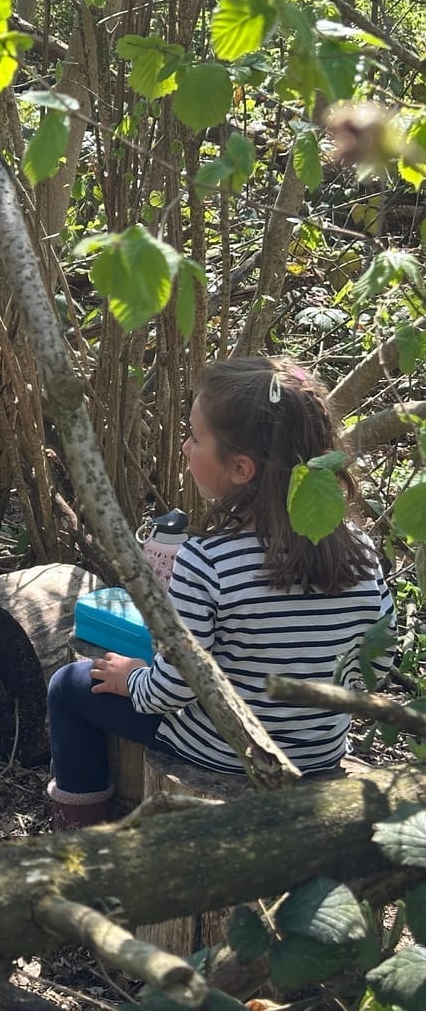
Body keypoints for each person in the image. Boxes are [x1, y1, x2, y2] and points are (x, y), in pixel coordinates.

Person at [45, 355, 395, 829]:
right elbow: (378, 664)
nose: (186, 447)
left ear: (241, 468)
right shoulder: (362, 553)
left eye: (194, 436)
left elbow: (175, 687)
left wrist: (132, 679)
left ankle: (83, 843)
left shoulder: (207, 559)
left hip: (221, 752)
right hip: (317, 754)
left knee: (68, 686)